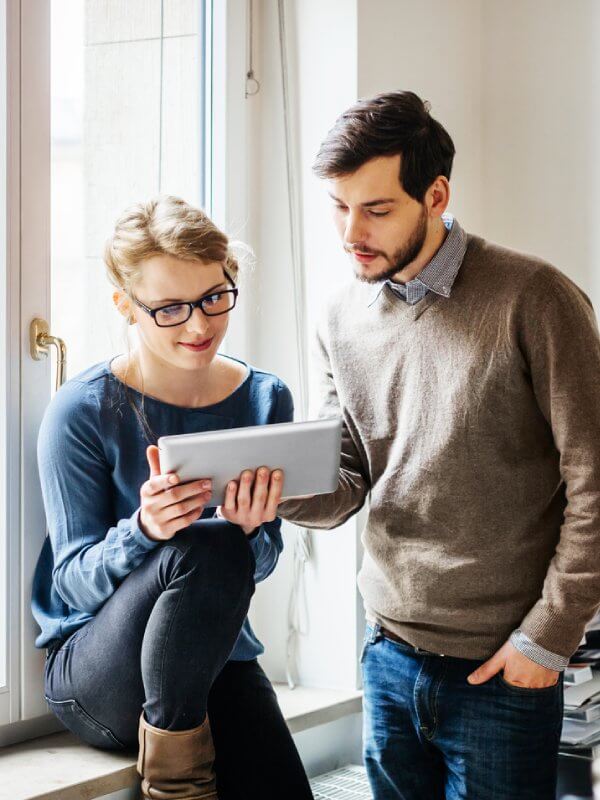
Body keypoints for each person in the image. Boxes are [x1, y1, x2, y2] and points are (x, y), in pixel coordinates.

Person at [278, 90, 600, 799]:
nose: (350, 231)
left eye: (376, 209)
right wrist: (271, 493)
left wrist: (547, 638)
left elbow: (594, 480)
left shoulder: (535, 297)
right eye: (338, 205)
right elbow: (348, 478)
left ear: (436, 194)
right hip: (387, 655)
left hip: (501, 667)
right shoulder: (339, 316)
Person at [31, 196, 313, 800]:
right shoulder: (82, 410)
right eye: (170, 309)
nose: (199, 325)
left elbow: (254, 567)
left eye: (215, 297)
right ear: (125, 307)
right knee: (202, 545)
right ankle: (176, 786)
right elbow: (73, 585)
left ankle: (180, 754)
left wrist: (251, 530)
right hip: (98, 671)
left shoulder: (265, 400)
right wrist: (145, 530)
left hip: (212, 661)